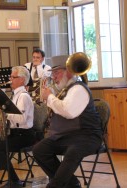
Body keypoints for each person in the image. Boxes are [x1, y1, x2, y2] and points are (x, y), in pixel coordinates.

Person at [32, 55, 103, 188]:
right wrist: (49, 98)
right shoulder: (64, 90)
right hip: (67, 136)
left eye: (56, 72)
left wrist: (50, 97)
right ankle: (71, 184)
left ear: (69, 72)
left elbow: (69, 112)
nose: (53, 77)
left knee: (73, 151)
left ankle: (55, 185)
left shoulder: (79, 89)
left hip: (87, 136)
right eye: (52, 73)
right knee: (39, 149)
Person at [0, 66, 36, 188]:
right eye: (10, 77)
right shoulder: (15, 95)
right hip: (15, 133)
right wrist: (3, 125)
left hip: (25, 136)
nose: (10, 79)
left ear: (21, 80)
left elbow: (21, 119)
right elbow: (14, 118)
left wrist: (4, 113)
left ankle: (15, 181)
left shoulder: (23, 96)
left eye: (12, 77)